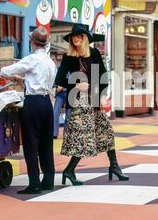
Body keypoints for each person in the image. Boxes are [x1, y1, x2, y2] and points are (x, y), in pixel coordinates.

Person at [55, 23, 129, 185]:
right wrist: (74, 84)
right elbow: (59, 80)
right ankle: (69, 170)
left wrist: (102, 96)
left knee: (106, 131)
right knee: (84, 137)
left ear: (85, 38)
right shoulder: (69, 57)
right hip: (79, 102)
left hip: (94, 100)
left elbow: (102, 76)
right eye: (74, 37)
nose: (76, 39)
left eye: (79, 36)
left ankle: (114, 166)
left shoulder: (94, 53)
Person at [0, 26, 57, 194]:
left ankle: (34, 183)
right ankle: (48, 180)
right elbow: (39, 81)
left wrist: (1, 70)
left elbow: (7, 70)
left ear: (32, 42)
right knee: (46, 142)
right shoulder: (50, 62)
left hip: (33, 103)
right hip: (47, 103)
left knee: (31, 142)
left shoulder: (32, 59)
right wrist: (23, 80)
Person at [52, 53, 67, 139]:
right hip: (60, 95)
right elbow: (54, 82)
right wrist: (57, 86)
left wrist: (63, 87)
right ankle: (54, 133)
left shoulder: (72, 70)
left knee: (69, 114)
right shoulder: (58, 70)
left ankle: (66, 134)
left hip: (69, 94)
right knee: (55, 112)